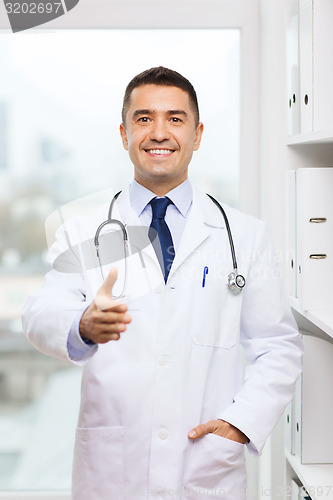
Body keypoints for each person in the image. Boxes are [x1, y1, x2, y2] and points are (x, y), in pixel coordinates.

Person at [22, 66, 303, 500]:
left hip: (206, 468)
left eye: (175, 118)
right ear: (123, 133)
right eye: (143, 118)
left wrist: (239, 424)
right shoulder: (81, 230)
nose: (159, 132)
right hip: (112, 474)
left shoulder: (245, 235)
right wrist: (82, 323)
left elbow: (278, 348)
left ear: (197, 132)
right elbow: (40, 313)